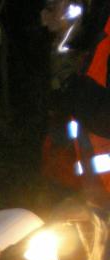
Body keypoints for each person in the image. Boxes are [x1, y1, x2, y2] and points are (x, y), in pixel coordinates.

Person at [41, 0, 110, 206]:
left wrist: (73, 87)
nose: (44, 18)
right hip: (92, 196)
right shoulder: (93, 32)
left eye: (52, 6)